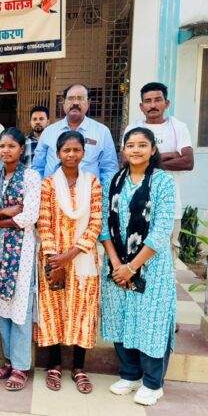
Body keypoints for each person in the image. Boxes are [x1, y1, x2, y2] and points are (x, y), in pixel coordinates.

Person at [101, 127, 176, 406]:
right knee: (121, 318)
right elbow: (103, 225)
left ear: (153, 150)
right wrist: (117, 264)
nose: (135, 150)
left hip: (151, 267)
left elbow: (161, 230)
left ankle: (153, 383)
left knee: (151, 321)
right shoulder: (113, 181)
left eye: (142, 145)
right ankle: (130, 374)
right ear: (123, 149)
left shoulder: (163, 182)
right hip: (116, 267)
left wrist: (132, 267)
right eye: (130, 145)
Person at [36, 131, 102, 394]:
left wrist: (70, 255)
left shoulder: (93, 183)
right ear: (58, 153)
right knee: (53, 310)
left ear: (84, 153)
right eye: (66, 150)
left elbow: (96, 223)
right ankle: (54, 365)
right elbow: (44, 223)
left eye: (76, 150)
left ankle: (78, 367)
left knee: (82, 310)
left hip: (83, 258)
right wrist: (56, 262)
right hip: (53, 257)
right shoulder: (48, 185)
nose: (71, 155)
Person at [0, 128, 41, 391]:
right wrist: (5, 212)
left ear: (21, 149)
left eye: (11, 146)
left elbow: (29, 216)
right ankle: (8, 360)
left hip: (21, 253)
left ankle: (20, 366)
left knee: (20, 309)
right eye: (2, 146)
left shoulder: (31, 177)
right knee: (0, 309)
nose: (6, 150)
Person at [122, 82, 193, 255]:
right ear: (141, 106)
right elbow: (125, 162)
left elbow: (188, 162)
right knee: (134, 256)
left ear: (166, 103)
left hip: (169, 208)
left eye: (157, 100)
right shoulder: (133, 128)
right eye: (148, 101)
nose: (152, 105)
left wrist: (146, 161)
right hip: (137, 205)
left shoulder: (178, 127)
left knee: (167, 257)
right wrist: (171, 155)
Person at [32, 84, 118, 187]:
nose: (75, 103)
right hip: (53, 194)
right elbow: (38, 168)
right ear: (63, 102)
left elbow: (109, 169)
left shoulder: (102, 132)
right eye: (71, 98)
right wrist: (43, 192)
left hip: (90, 194)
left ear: (89, 103)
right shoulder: (48, 132)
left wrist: (103, 195)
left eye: (81, 98)